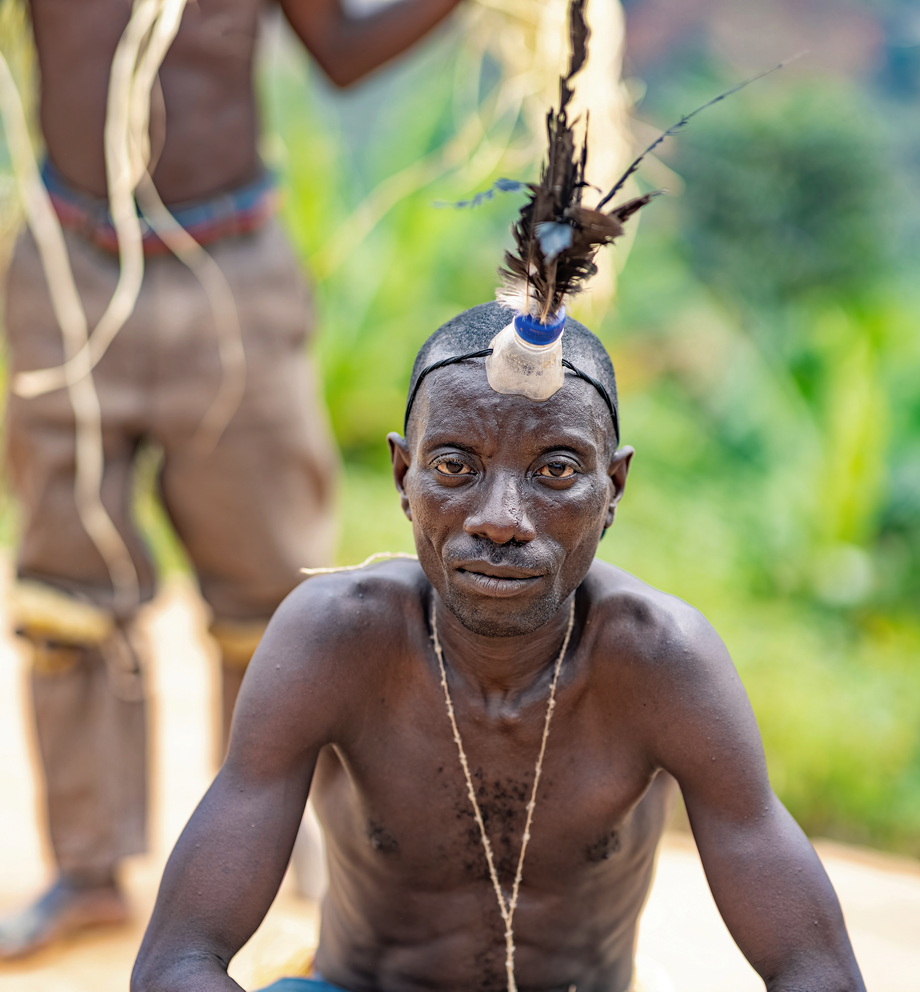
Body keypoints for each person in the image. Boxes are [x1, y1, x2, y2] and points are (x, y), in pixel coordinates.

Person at [131, 300, 866, 992]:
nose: (502, 519)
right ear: (401, 475)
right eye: (454, 466)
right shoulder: (337, 639)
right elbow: (176, 962)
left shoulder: (658, 661)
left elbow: (815, 971)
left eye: (556, 471)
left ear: (612, 489)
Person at [0, 0, 465, 961]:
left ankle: (279, 868)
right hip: (66, 268)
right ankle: (89, 873)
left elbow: (340, 51)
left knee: (272, 588)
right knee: (66, 582)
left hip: (236, 272)